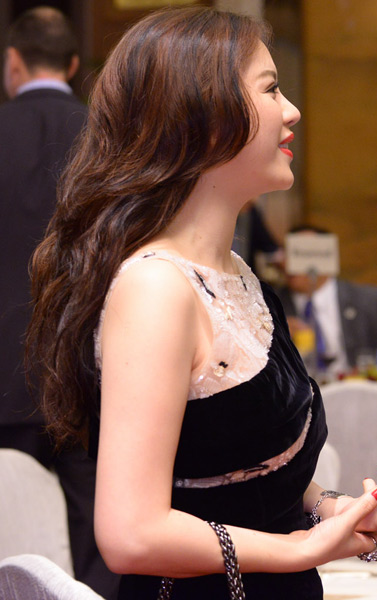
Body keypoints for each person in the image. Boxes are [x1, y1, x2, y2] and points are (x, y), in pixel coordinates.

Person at [26, 7, 377, 600]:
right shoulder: (155, 287)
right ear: (205, 117)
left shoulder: (240, 277)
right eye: (270, 89)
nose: (292, 110)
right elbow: (131, 534)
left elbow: (239, 472)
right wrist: (301, 549)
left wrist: (341, 511)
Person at [0, 7, 119, 598]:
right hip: (88, 371)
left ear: (12, 62)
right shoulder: (107, 138)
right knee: (103, 541)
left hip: (2, 377)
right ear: (74, 65)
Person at [276, 226, 377, 377]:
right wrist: (276, 339)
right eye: (286, 252)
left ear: (326, 256)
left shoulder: (367, 301)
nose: (287, 262)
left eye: (300, 252)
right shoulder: (268, 306)